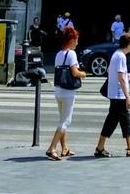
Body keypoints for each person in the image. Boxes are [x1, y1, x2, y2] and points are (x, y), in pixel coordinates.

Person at [95, 33, 130, 158]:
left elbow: (115, 74)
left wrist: (128, 76)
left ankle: (100, 147)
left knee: (113, 120)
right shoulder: (120, 57)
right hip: (118, 95)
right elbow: (120, 77)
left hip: (115, 93)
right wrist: (128, 96)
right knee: (125, 120)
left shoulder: (117, 54)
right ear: (128, 44)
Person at [47, 25, 86, 160]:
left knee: (61, 120)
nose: (77, 43)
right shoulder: (71, 54)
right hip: (68, 92)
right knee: (66, 122)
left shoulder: (58, 54)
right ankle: (52, 148)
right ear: (71, 40)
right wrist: (83, 74)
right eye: (76, 40)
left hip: (58, 90)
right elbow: (75, 73)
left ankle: (64, 148)